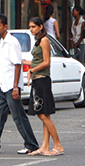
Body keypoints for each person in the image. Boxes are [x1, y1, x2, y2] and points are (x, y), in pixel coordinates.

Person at [0, 14, 39, 155]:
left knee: (18, 117)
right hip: (3, 85)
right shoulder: (2, 42)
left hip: (11, 86)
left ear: (5, 26)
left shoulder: (12, 42)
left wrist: (16, 87)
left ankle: (31, 145)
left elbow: (17, 65)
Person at [27, 17, 64, 156]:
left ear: (41, 27)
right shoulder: (38, 41)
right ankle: (44, 146)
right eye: (30, 27)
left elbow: (46, 62)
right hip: (38, 79)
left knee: (41, 114)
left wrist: (32, 70)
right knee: (45, 113)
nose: (31, 29)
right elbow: (37, 60)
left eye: (33, 27)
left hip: (42, 80)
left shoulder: (44, 40)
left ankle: (58, 145)